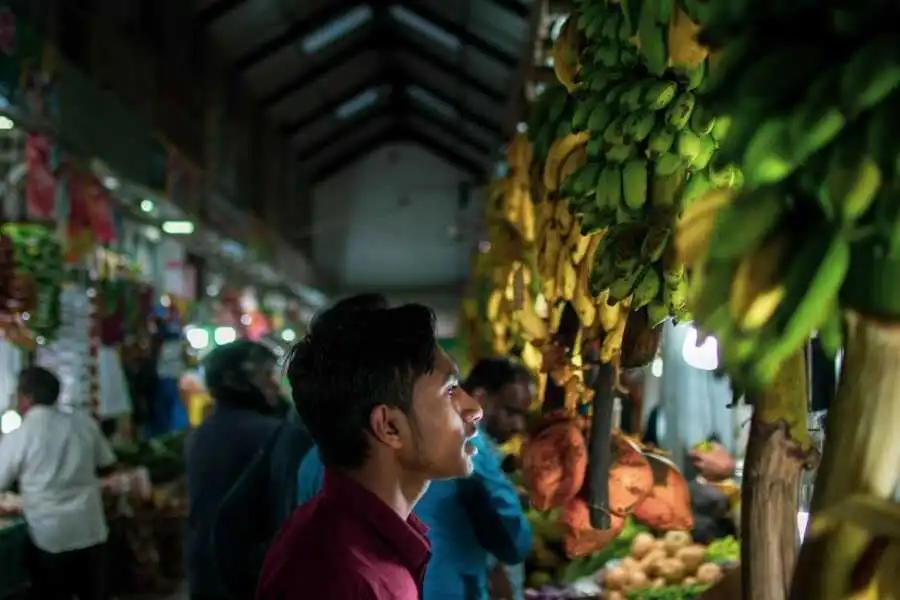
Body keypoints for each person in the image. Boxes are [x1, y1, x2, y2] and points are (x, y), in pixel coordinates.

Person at [256, 294, 483, 600]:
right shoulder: (339, 576)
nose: (474, 408)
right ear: (390, 427)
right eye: (450, 390)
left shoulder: (357, 548)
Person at [296, 357, 534, 600]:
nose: (470, 407)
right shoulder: (464, 447)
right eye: (450, 390)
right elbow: (515, 540)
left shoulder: (313, 460)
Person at [0, 366, 116, 600]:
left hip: (50, 537)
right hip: (90, 530)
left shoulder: (20, 435)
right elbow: (108, 463)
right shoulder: (83, 423)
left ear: (26, 398)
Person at [186, 341, 284, 600]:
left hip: (205, 568)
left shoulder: (203, 431)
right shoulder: (268, 433)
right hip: (245, 574)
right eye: (265, 376)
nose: (274, 385)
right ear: (238, 382)